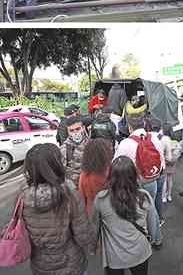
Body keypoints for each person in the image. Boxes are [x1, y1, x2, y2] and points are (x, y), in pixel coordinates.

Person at [21, 143, 95, 275]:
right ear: (56, 165)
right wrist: (92, 246)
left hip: (41, 264)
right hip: (71, 262)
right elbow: (83, 234)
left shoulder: (22, 198)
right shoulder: (70, 193)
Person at [92, 156, 156, 275]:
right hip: (139, 251)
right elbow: (152, 226)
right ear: (133, 175)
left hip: (114, 255)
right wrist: (152, 239)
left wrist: (93, 246)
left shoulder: (101, 199)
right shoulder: (144, 197)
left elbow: (95, 227)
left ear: (111, 176)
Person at [113, 114, 164, 249]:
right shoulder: (155, 139)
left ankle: (139, 238)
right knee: (151, 210)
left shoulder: (126, 143)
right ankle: (157, 239)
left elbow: (117, 163)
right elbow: (161, 161)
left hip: (135, 184)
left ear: (130, 127)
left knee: (137, 213)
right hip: (152, 180)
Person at [79, 138, 113, 215]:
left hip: (91, 212)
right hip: (109, 211)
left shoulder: (85, 175)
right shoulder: (111, 170)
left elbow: (82, 198)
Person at [60, 115, 90, 188]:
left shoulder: (92, 144)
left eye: (77, 129)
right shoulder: (64, 148)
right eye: (71, 130)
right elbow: (61, 172)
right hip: (75, 189)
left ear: (83, 128)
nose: (75, 133)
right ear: (67, 132)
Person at [160, 123, 182, 204]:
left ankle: (163, 197)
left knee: (164, 180)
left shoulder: (164, 140)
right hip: (173, 162)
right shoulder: (175, 140)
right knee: (170, 178)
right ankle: (169, 195)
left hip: (166, 162)